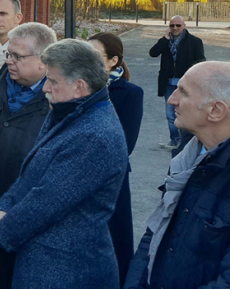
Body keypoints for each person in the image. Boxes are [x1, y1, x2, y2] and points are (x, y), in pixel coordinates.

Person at [0, 39, 128, 289]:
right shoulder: (67, 112)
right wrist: (3, 205)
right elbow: (30, 176)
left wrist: (4, 227)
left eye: (52, 81)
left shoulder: (93, 136)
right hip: (47, 266)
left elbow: (47, 200)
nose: (45, 89)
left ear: (79, 87)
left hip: (68, 272)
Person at [124, 61, 230, 289]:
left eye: (183, 92)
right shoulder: (187, 158)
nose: (171, 99)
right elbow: (154, 234)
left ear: (216, 110)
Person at [0, 23, 56, 289]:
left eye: (17, 56)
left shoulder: (59, 100)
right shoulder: (1, 85)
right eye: (8, 54)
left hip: (32, 218)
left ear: (44, 61)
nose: (8, 61)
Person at [89, 32, 144, 287]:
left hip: (113, 178)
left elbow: (126, 143)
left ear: (113, 60)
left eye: (94, 55)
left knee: (116, 241)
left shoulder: (131, 93)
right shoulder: (77, 86)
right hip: (80, 176)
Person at [149, 15, 205, 151]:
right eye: (172, 25)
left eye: (178, 25)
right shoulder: (165, 42)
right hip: (168, 82)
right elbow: (153, 53)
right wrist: (164, 39)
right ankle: (175, 140)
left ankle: (188, 142)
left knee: (187, 112)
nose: (175, 28)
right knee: (170, 113)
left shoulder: (194, 41)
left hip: (186, 83)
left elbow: (201, 61)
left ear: (184, 26)